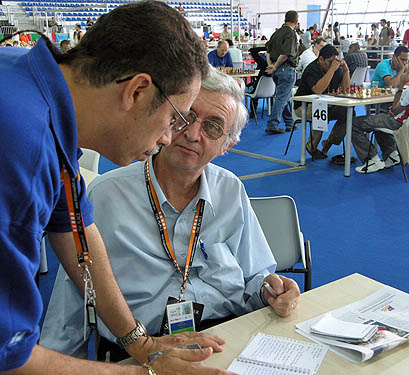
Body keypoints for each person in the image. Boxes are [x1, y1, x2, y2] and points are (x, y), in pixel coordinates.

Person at [0, 2, 233, 374]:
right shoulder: (21, 147)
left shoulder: (28, 81)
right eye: (174, 118)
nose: (168, 137)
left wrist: (141, 344)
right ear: (136, 91)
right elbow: (9, 359)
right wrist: (149, 372)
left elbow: (73, 229)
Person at [41, 66, 301, 361]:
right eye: (186, 116)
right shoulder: (107, 195)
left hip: (227, 338)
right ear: (167, 118)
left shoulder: (230, 189)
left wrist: (270, 288)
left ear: (226, 146)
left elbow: (255, 275)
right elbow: (73, 302)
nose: (192, 134)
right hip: (142, 349)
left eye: (212, 127)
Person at [351, 48, 409, 173]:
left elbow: (394, 111)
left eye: (408, 62)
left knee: (354, 123)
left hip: (401, 124)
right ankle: (391, 155)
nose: (406, 65)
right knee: (380, 120)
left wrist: (400, 87)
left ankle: (371, 160)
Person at [294, 45, 350, 160]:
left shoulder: (335, 69)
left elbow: (346, 90)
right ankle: (311, 147)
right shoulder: (312, 69)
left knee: (348, 113)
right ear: (320, 59)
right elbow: (318, 90)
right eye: (329, 62)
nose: (332, 65)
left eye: (333, 62)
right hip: (302, 107)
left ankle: (328, 143)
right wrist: (332, 70)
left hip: (326, 105)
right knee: (320, 109)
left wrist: (346, 71)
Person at [264, 10, 299, 134]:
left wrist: (271, 65)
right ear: (296, 21)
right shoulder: (291, 34)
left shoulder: (276, 33)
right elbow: (285, 55)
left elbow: (267, 52)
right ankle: (272, 125)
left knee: (284, 96)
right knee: (281, 98)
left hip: (277, 70)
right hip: (286, 68)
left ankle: (290, 123)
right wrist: (275, 66)